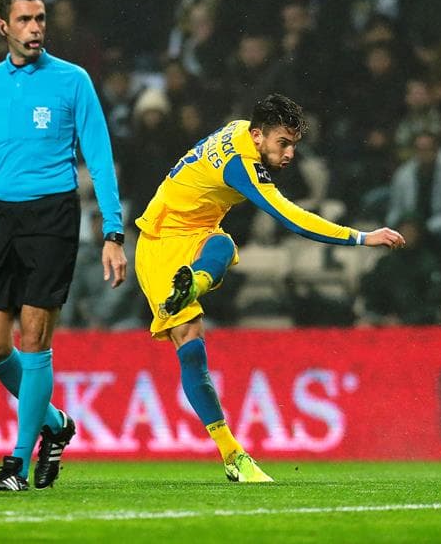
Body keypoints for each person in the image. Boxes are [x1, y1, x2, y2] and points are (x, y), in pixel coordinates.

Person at [134, 93, 404, 482]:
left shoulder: (238, 130)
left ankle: (195, 282)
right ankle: (233, 456)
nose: (291, 153)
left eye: (294, 144)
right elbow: (292, 219)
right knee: (191, 349)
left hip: (196, 234)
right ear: (258, 136)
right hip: (160, 245)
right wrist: (361, 237)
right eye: (284, 143)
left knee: (224, 244)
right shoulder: (241, 163)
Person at [0, 0, 127, 492]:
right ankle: (56, 424)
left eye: (40, 19)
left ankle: (17, 462)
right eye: (25, 20)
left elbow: (99, 157)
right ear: (4, 28)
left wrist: (112, 229)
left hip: (53, 217)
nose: (36, 28)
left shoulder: (73, 81)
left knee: (34, 339)